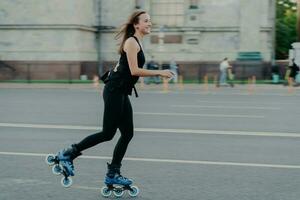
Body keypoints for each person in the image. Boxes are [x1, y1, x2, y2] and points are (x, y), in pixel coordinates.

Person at [49, 11, 173, 186]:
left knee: (127, 133)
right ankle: (69, 154)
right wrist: (160, 72)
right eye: (146, 21)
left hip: (121, 91)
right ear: (136, 25)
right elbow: (134, 70)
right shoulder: (131, 42)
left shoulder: (137, 42)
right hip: (114, 90)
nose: (149, 23)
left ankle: (113, 173)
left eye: (150, 21)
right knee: (108, 133)